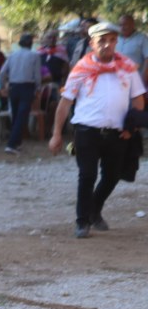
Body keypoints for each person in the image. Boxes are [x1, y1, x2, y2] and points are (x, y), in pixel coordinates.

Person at [49, 20, 145, 238]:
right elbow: (65, 103)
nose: (107, 45)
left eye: (112, 40)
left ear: (116, 42)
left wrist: (133, 126)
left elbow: (138, 99)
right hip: (86, 131)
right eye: (102, 41)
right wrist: (56, 134)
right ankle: (82, 222)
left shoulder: (127, 67)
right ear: (92, 43)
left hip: (117, 132)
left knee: (113, 175)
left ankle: (94, 209)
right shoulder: (81, 69)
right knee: (87, 175)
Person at [0, 33, 41, 154]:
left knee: (16, 115)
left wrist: (2, 86)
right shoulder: (35, 56)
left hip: (13, 87)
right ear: (31, 43)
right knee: (21, 116)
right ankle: (11, 144)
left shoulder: (12, 55)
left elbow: (2, 73)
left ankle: (17, 142)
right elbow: (37, 75)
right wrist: (38, 87)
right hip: (27, 87)